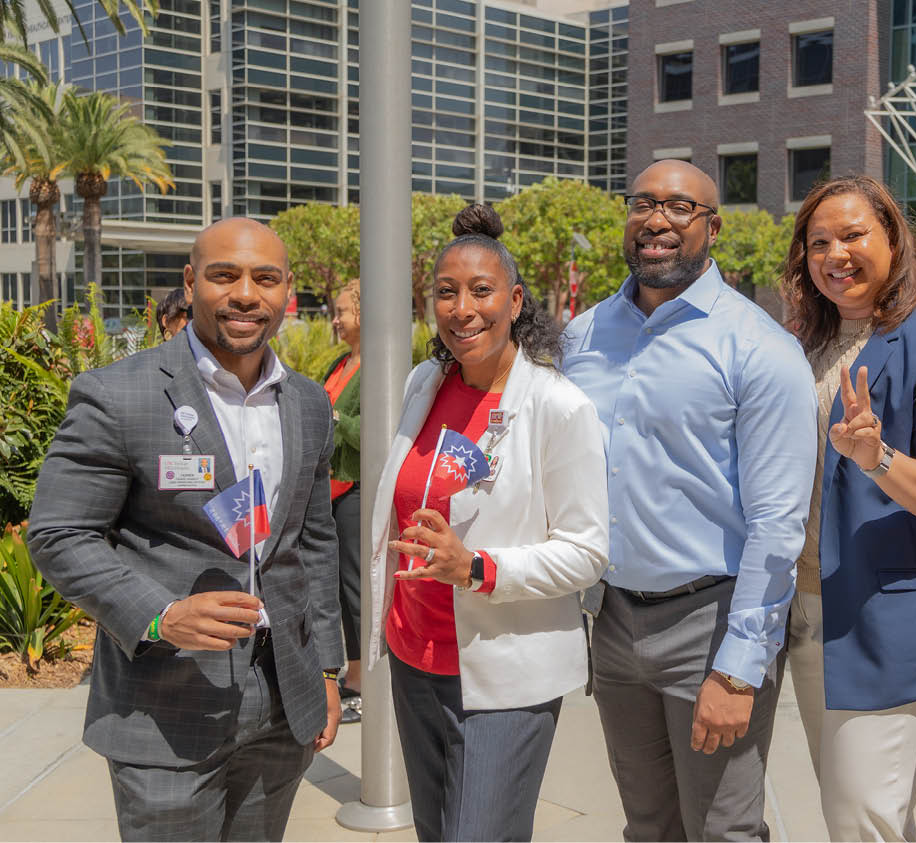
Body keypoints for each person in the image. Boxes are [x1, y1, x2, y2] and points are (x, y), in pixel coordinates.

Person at [28, 217, 343, 841]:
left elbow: (313, 541)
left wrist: (328, 671)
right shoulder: (118, 394)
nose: (246, 294)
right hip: (166, 702)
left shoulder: (308, 401)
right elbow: (60, 533)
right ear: (191, 282)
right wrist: (160, 613)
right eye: (225, 275)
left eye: (266, 278)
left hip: (283, 701)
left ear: (288, 294)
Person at [562, 160, 817, 841]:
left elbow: (777, 523)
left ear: (713, 226)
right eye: (642, 202)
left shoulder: (759, 347)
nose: (656, 220)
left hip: (712, 622)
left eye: (679, 206)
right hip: (612, 620)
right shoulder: (580, 338)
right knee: (647, 824)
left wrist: (739, 668)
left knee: (723, 829)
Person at [364, 204, 609, 842]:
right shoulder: (426, 383)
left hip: (506, 674)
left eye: (481, 290)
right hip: (415, 658)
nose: (462, 308)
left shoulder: (558, 407)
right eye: (446, 292)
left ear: (516, 299)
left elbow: (587, 552)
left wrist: (477, 567)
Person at [778, 175, 916, 842]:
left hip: (894, 616)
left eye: (852, 234)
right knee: (869, 814)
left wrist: (880, 460)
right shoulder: (806, 344)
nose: (835, 253)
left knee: (861, 818)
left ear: (893, 239)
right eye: (818, 242)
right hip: (809, 610)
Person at [325, 279, 364, 724]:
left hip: (355, 490)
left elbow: (373, 430)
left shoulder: (378, 369)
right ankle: (348, 672)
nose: (335, 320)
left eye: (342, 312)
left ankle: (360, 680)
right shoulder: (341, 364)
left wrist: (334, 417)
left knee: (354, 589)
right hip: (331, 490)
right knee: (336, 588)